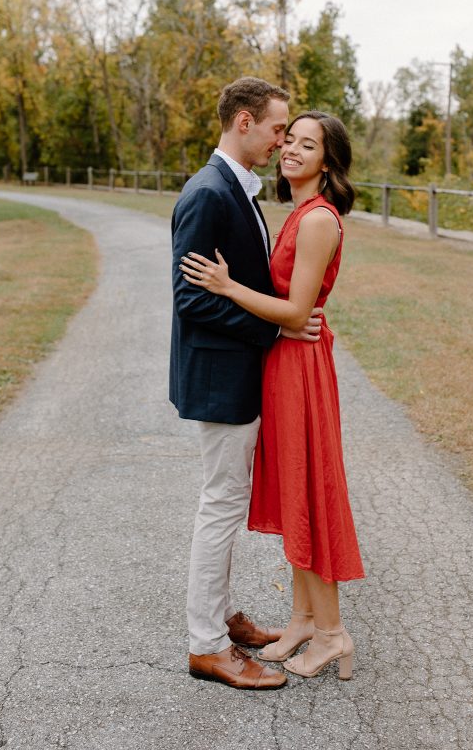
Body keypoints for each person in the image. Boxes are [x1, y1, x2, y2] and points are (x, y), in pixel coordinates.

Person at [181, 110, 364, 682]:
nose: (289, 148)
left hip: (300, 365)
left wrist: (228, 284)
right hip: (281, 364)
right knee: (292, 491)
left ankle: (332, 633)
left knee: (308, 487)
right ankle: (304, 619)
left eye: (306, 144)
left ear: (328, 162)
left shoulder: (316, 221)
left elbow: (296, 311)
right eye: (288, 138)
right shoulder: (296, 212)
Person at [170, 77, 323, 691]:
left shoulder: (239, 189)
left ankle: (222, 615)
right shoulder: (209, 192)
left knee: (225, 504)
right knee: (221, 505)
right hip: (221, 377)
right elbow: (190, 299)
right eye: (276, 129)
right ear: (243, 122)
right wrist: (276, 333)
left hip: (235, 373)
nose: (281, 141)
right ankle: (206, 645)